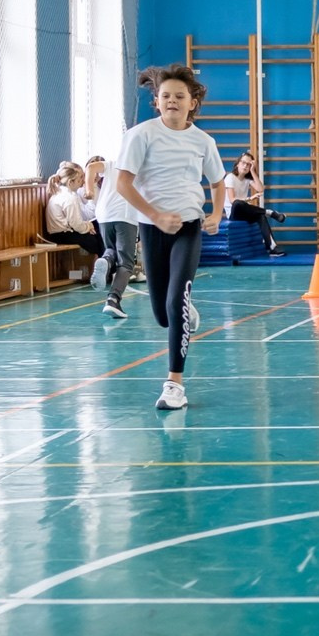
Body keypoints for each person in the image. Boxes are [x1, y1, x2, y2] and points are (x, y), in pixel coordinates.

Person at [115, 64, 226, 412]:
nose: (172, 101)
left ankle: (174, 383)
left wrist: (217, 214)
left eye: (180, 96)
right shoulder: (140, 135)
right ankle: (182, 309)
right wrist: (155, 216)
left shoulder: (203, 141)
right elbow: (123, 183)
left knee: (176, 297)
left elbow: (218, 182)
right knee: (164, 314)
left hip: (189, 228)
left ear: (193, 102)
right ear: (157, 102)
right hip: (152, 229)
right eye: (166, 96)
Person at [93, 146, 142, 320]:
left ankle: (105, 260)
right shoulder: (140, 168)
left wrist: (89, 189)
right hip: (126, 215)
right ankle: (113, 299)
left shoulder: (112, 164)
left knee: (111, 249)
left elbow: (90, 167)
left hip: (104, 214)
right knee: (127, 263)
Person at [221, 150, 285, 256]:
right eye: (243, 163)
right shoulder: (230, 178)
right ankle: (269, 212)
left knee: (261, 217)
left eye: (248, 164)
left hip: (245, 211)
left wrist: (253, 171)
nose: (245, 166)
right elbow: (232, 200)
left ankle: (272, 248)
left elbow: (260, 189)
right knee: (238, 203)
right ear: (237, 163)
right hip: (234, 212)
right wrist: (250, 198)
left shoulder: (247, 179)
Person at [43, 162, 105, 261]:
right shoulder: (69, 198)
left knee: (98, 230)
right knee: (98, 240)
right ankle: (108, 267)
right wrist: (89, 226)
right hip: (63, 235)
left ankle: (105, 265)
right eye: (79, 180)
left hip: (60, 233)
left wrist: (88, 226)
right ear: (70, 182)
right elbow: (77, 225)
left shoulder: (61, 193)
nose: (82, 182)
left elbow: (76, 223)